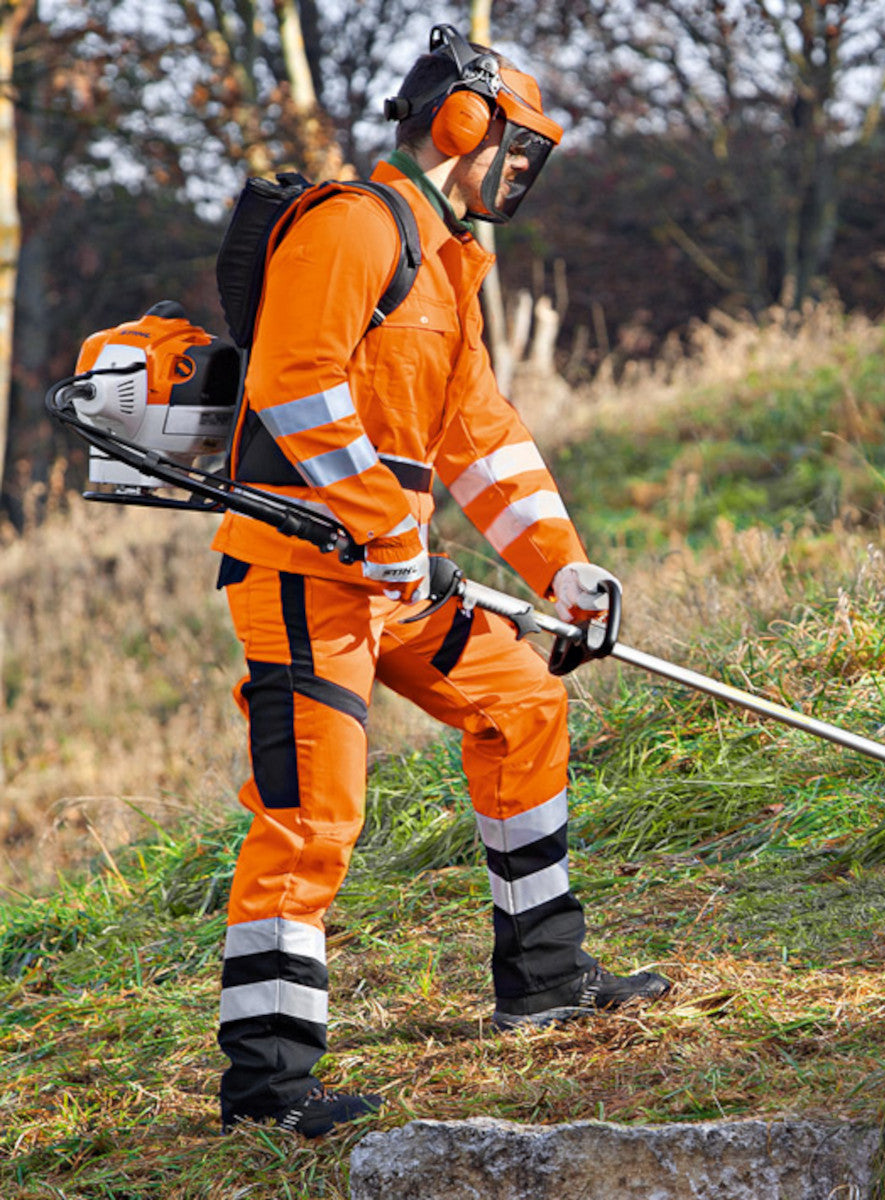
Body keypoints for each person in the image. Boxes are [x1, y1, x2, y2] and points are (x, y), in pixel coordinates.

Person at [211, 24, 669, 1139]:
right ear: (462, 122)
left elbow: (477, 436)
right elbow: (291, 376)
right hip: (303, 576)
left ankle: (546, 982)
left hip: (393, 580)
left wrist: (563, 569)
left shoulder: (450, 259)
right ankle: (269, 1091)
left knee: (524, 705)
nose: (518, 171)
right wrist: (377, 520)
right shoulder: (354, 225)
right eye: (515, 146)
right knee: (314, 815)